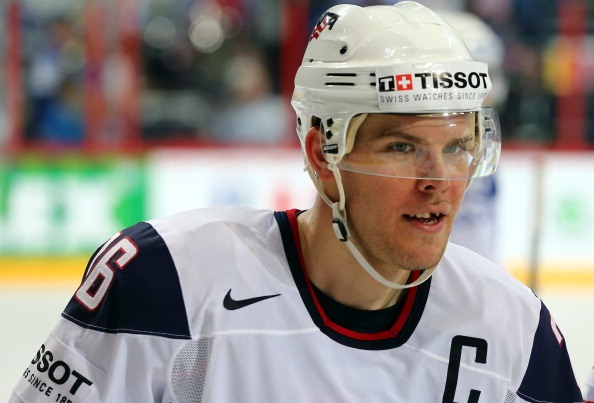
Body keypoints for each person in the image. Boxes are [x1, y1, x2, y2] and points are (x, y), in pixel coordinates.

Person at [10, 2, 582, 402]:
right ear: (321, 154)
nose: (439, 180)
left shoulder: (516, 330)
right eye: (402, 146)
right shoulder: (167, 282)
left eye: (457, 147)